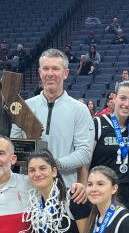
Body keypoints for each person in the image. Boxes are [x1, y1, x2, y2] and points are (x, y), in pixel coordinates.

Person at [25, 49, 94, 188]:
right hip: (29, 189)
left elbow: (85, 153)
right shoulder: (26, 107)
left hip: (65, 189)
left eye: (55, 69)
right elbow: (15, 147)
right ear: (40, 73)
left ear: (65, 73)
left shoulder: (79, 110)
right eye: (46, 69)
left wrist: (53, 165)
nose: (50, 74)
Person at [90, 81, 129, 208]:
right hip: (102, 192)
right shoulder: (98, 123)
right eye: (123, 98)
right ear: (114, 98)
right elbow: (85, 163)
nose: (127, 104)